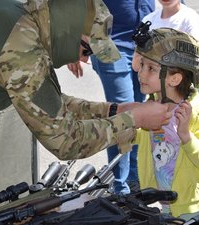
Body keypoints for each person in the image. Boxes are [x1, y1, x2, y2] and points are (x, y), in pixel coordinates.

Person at [0, 0, 172, 224]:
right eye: (86, 50)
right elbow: (66, 141)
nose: (85, 61)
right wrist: (134, 119)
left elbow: (51, 104)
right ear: (68, 31)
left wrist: (114, 110)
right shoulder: (24, 51)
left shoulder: (22, 23)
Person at [126, 26, 199, 220]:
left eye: (151, 68)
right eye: (142, 65)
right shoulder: (153, 106)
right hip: (165, 200)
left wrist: (186, 135)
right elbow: (143, 142)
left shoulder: (198, 112)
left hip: (192, 204)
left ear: (175, 79)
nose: (141, 74)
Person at [68, 0, 155, 195]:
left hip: (148, 43)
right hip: (110, 42)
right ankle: (119, 186)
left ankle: (136, 180)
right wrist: (75, 39)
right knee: (123, 114)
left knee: (141, 111)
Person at [132, 0, 199, 72]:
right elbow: (136, 65)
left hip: (182, 86)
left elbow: (196, 52)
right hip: (155, 87)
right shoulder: (149, 20)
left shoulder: (190, 17)